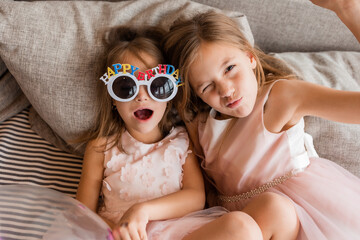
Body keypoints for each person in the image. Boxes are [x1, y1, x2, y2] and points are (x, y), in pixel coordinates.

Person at [75, 25, 299, 240]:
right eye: (126, 87)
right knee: (240, 227)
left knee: (250, 224)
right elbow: (81, 213)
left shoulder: (181, 140)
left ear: (170, 94)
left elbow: (195, 197)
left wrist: (142, 210)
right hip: (121, 235)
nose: (142, 97)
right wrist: (117, 231)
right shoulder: (101, 148)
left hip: (185, 233)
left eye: (157, 86)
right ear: (113, 98)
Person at [162, 4, 360, 240]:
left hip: (306, 217)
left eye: (230, 68)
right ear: (197, 94)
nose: (226, 90)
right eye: (207, 86)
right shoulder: (201, 126)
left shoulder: (280, 99)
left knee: (273, 208)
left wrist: (349, 12)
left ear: (250, 57)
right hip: (242, 229)